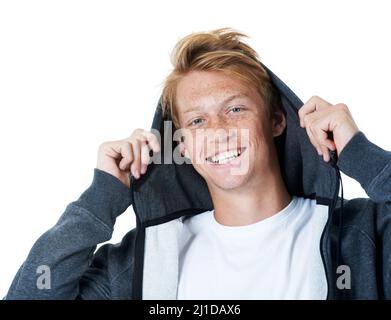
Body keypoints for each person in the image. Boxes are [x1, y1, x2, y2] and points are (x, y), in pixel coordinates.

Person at [5, 28, 391, 300]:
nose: (219, 131)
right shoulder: (143, 260)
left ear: (277, 120)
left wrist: (361, 154)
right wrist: (99, 199)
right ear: (183, 146)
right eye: (197, 121)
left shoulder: (362, 235)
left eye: (235, 109)